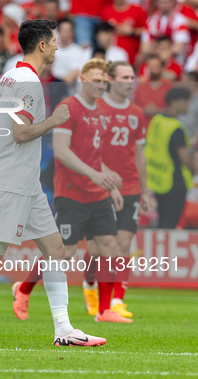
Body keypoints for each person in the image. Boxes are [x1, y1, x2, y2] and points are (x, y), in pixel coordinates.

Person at [0, 19, 106, 347]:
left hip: (26, 183)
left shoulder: (9, 76)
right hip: (15, 181)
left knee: (56, 249)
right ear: (41, 45)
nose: (57, 45)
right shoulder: (27, 82)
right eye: (54, 40)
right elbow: (20, 132)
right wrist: (54, 120)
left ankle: (64, 330)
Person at [13, 58, 131, 324]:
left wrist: (108, 181)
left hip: (97, 192)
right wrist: (96, 175)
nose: (102, 85)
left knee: (108, 247)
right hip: (71, 191)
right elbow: (62, 152)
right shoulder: (68, 107)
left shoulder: (100, 112)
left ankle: (104, 311)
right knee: (64, 253)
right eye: (98, 80)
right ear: (85, 80)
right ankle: (23, 289)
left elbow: (92, 155)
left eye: (105, 81)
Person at [82, 61, 151, 319]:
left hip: (130, 185)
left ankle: (117, 301)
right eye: (124, 77)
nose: (129, 81)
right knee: (97, 249)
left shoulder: (137, 113)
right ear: (110, 79)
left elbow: (140, 154)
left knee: (123, 244)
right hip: (100, 185)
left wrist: (145, 190)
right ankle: (90, 283)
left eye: (132, 76)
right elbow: (88, 149)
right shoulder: (97, 109)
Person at [145, 88, 194, 228]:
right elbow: (185, 158)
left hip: (156, 179)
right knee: (170, 224)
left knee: (161, 221)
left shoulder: (157, 119)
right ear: (174, 102)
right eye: (185, 101)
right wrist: (193, 171)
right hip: (174, 182)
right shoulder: (176, 127)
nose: (187, 105)